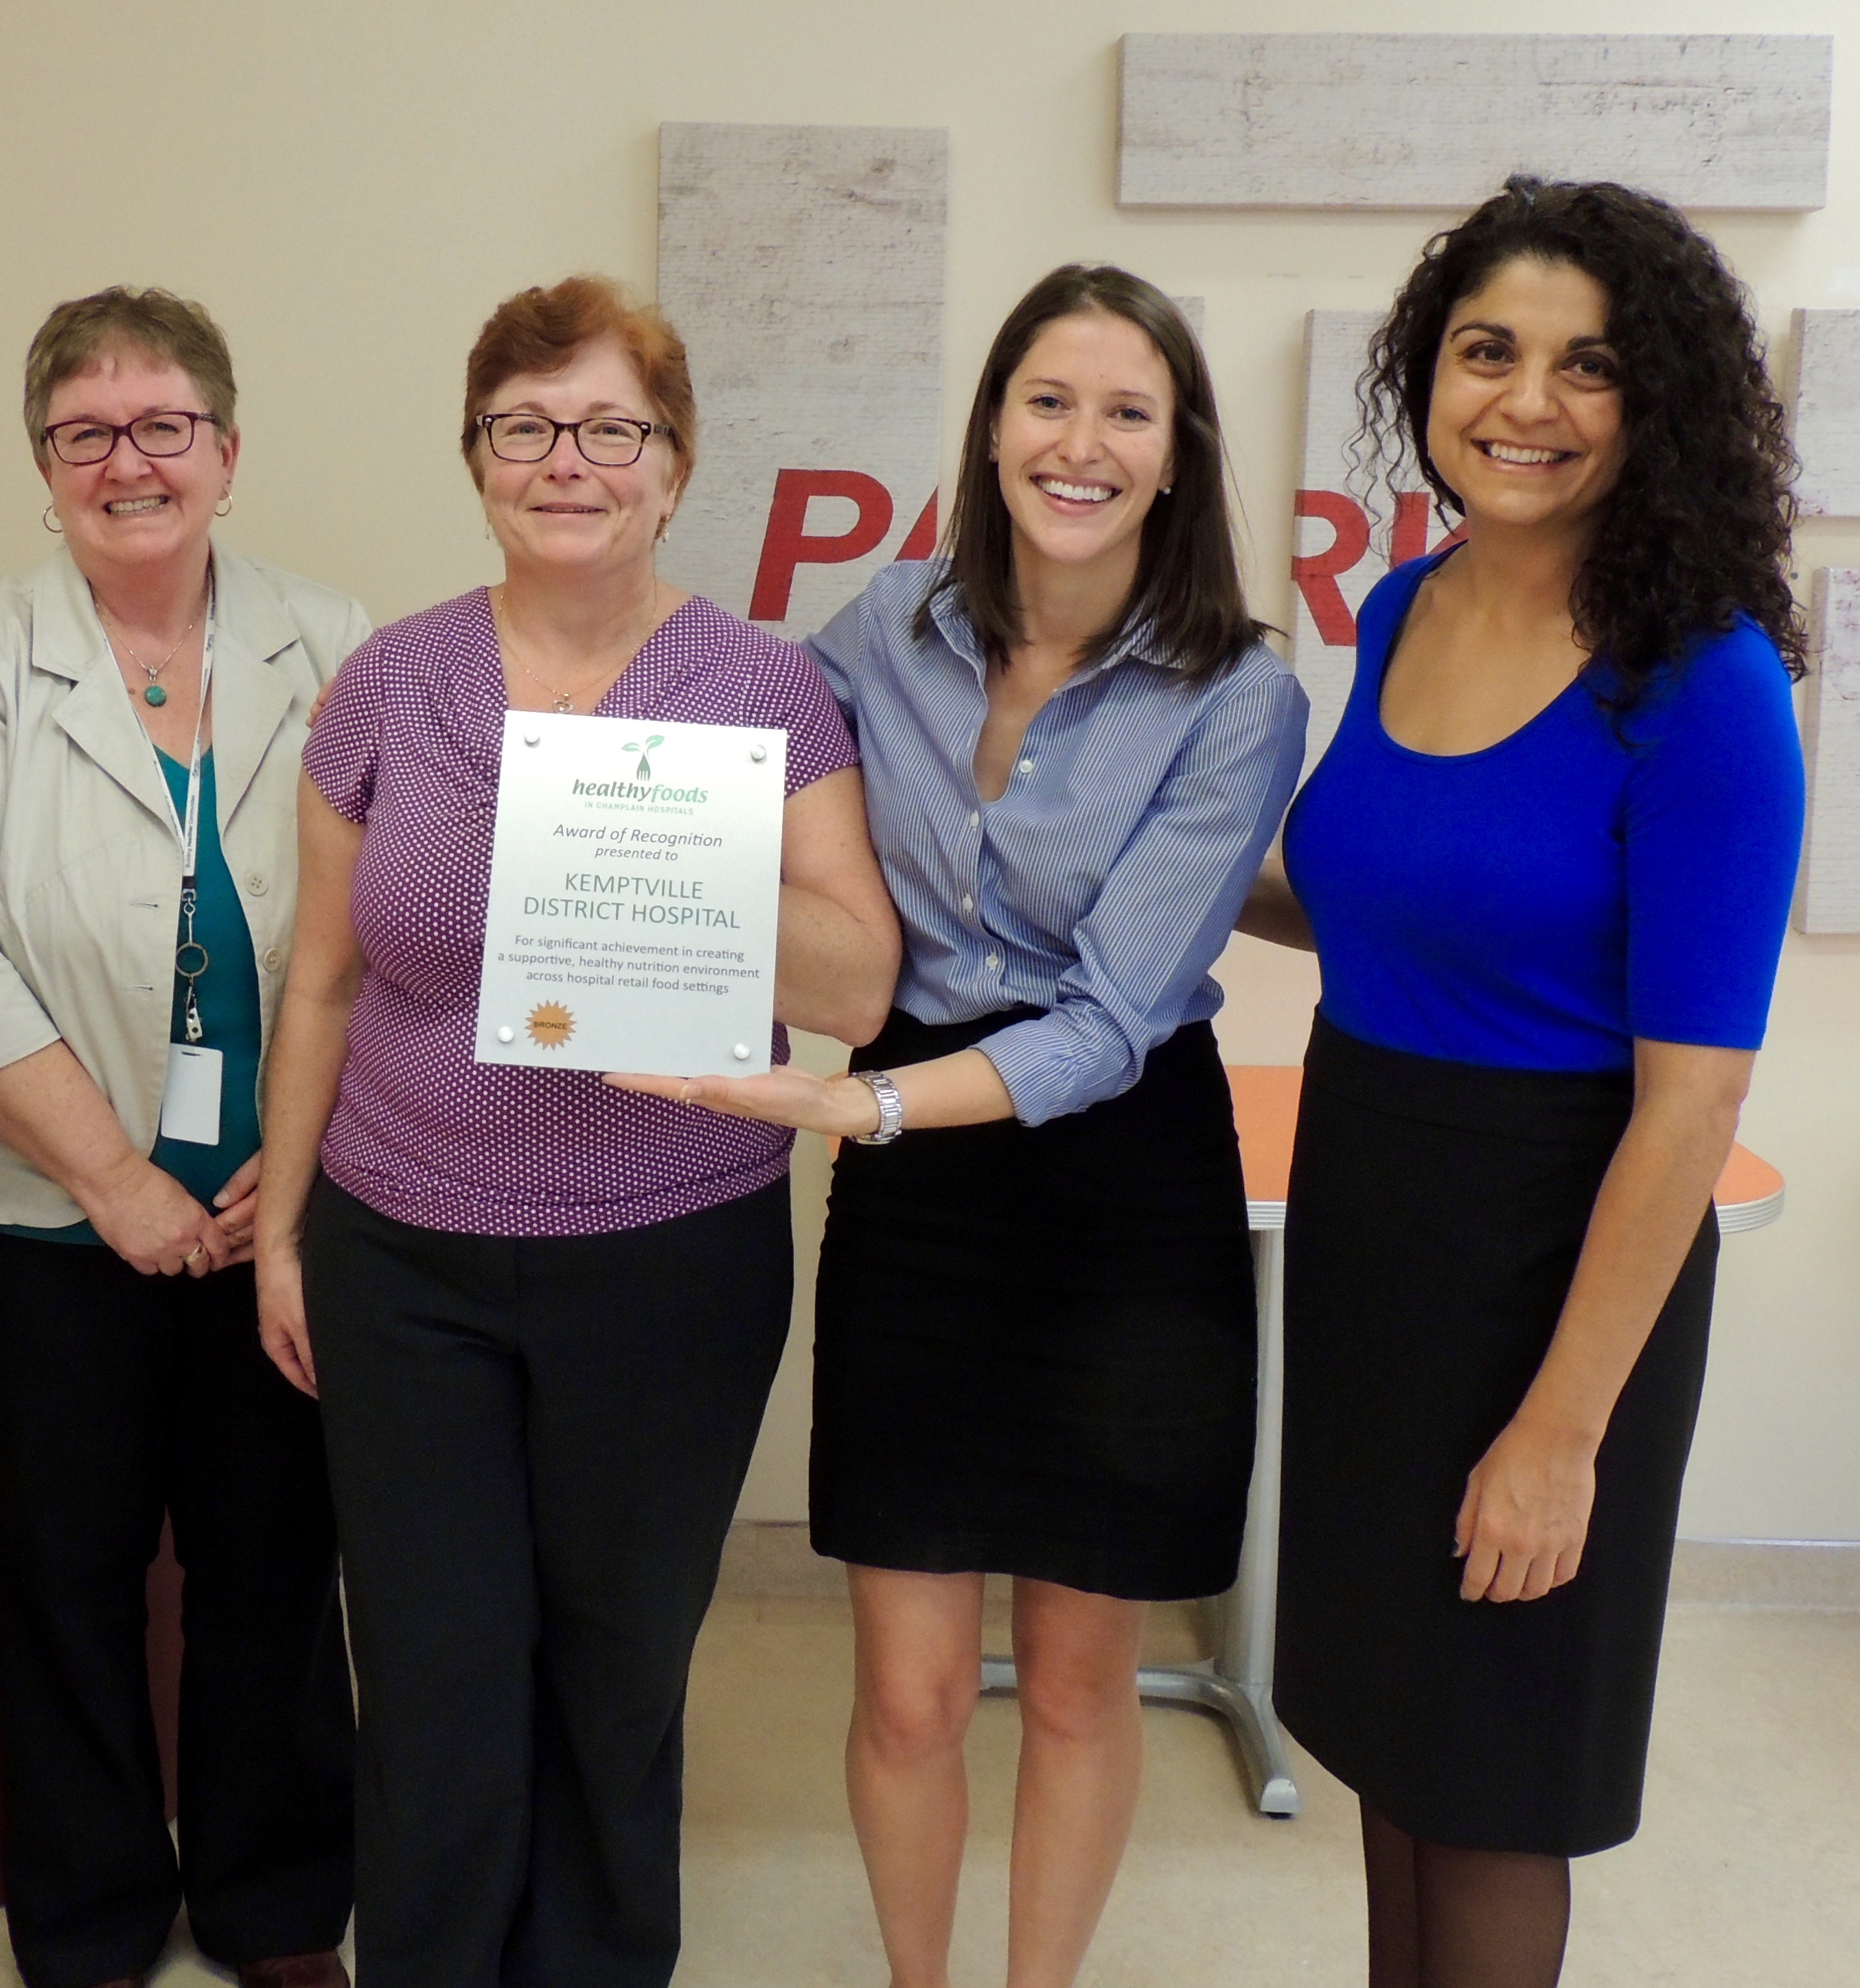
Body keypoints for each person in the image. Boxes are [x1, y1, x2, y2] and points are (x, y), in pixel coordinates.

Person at [621, 266, 1307, 1988]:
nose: (1077, 443)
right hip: (919, 1208)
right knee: (909, 1689)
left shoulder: (1236, 692)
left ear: (1175, 456)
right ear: (993, 426)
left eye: (1124, 412)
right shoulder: (878, 632)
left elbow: (1105, 1015)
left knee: (1077, 1681)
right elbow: (737, 817)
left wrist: (857, 1099)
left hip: (1118, 1187)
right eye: (1045, 401)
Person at [250, 275, 898, 1987]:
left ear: (673, 466)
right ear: (475, 457)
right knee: (436, 1670)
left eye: (610, 428)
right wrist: (281, 1233)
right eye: (524, 427)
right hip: (401, 1255)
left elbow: (857, 978)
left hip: (665, 1262)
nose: (567, 461)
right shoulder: (390, 680)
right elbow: (316, 982)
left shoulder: (760, 690)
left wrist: (664, 863)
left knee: (615, 1676)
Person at [1242, 178, 1806, 1988]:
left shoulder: (1702, 680)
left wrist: (1557, 1435)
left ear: (1656, 407)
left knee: (1489, 1784)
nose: (1525, 402)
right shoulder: (1399, 605)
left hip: (1556, 1265)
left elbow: (1689, 1102)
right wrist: (1102, 870)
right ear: (1427, 372)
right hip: (1367, 1237)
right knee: (1390, 1755)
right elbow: (1376, 905)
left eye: (1586, 366)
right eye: (1486, 351)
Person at [0, 287, 361, 1988]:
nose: (127, 462)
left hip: (275, 1202)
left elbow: (378, 931)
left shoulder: (338, 641)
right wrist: (115, 1176)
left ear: (227, 451)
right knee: (62, 1585)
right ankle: (82, 1919)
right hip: (33, 1221)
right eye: (86, 433)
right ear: (44, 466)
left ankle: (276, 1901)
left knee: (274, 1571)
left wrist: (273, 1172)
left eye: (163, 427)